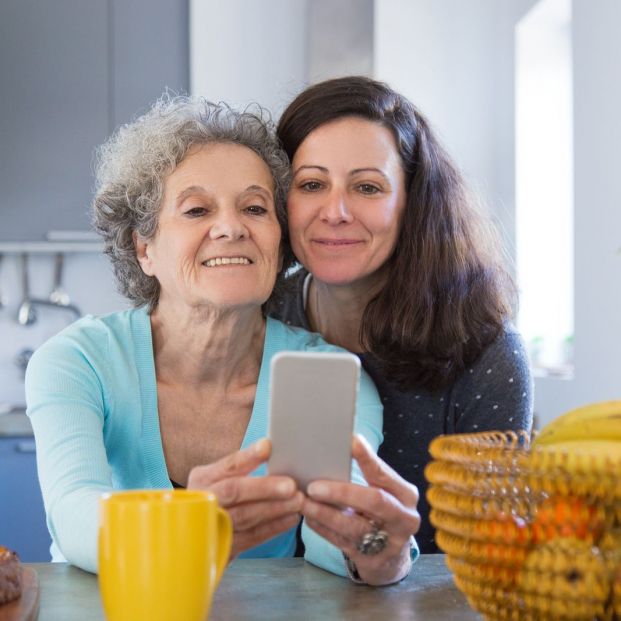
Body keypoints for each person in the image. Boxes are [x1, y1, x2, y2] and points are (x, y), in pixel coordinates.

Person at [25, 95, 417, 584]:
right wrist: (187, 523)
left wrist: (378, 550)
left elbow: (338, 536)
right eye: (196, 210)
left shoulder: (325, 375)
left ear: (279, 239)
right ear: (144, 248)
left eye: (255, 207)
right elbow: (73, 513)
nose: (232, 227)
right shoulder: (80, 361)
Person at [269, 76, 534, 554]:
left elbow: (493, 562)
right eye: (311, 184)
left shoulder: (485, 351)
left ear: (413, 203)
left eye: (367, 187)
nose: (336, 211)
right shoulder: (258, 311)